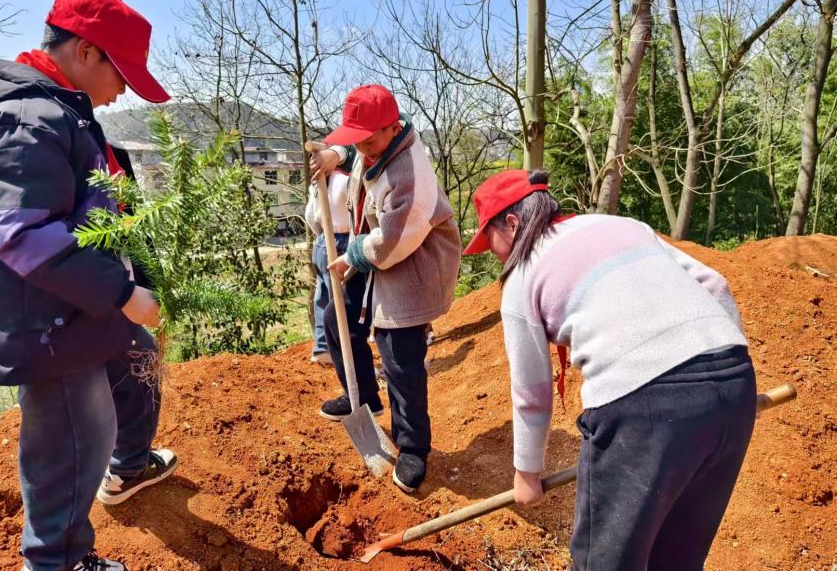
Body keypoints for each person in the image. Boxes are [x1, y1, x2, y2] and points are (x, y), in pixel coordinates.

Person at [0, 0, 177, 571]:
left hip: (66, 306)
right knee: (74, 446)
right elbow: (25, 237)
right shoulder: (26, 118)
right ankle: (58, 561)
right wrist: (124, 293)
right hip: (42, 322)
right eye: (122, 73)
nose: (123, 91)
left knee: (136, 363)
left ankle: (129, 466)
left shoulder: (51, 111)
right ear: (85, 50)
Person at [464, 169, 757, 571]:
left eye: (489, 239)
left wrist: (527, 475)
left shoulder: (522, 277)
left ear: (511, 223)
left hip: (645, 405)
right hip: (733, 380)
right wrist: (722, 382)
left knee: (606, 563)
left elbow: (531, 393)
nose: (493, 254)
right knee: (677, 557)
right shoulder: (620, 225)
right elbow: (716, 284)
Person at [312, 84, 461, 493]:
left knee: (399, 353)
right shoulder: (371, 145)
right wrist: (335, 155)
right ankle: (363, 396)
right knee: (335, 315)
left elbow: (394, 243)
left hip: (412, 260)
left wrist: (352, 255)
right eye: (354, 140)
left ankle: (413, 448)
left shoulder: (408, 173)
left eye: (368, 139)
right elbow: (354, 148)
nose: (362, 147)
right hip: (375, 249)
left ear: (393, 128)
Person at [304, 166, 350, 364]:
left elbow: (310, 216)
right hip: (342, 239)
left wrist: (320, 237)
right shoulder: (347, 179)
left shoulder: (318, 180)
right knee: (340, 300)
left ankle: (323, 347)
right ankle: (342, 350)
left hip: (322, 239)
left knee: (322, 297)